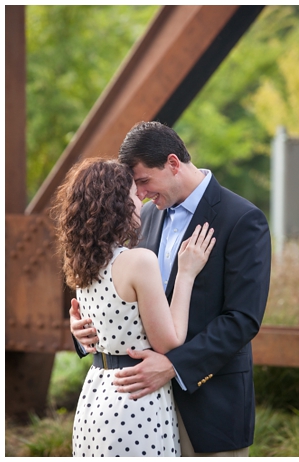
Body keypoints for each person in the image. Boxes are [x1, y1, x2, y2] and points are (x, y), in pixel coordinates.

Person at [69, 121, 272, 456]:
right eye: (136, 187)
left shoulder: (242, 219)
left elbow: (242, 318)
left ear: (173, 163)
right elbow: (117, 295)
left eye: (144, 181)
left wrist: (174, 365)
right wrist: (82, 330)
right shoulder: (143, 218)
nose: (142, 193)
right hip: (139, 409)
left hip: (209, 404)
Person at [54, 159, 216, 456]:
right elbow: (169, 341)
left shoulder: (83, 263)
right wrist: (187, 273)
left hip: (94, 400)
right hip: (134, 404)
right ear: (117, 205)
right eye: (132, 194)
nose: (140, 199)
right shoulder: (138, 261)